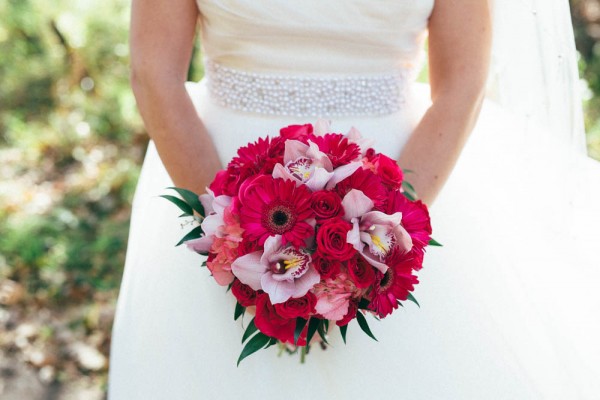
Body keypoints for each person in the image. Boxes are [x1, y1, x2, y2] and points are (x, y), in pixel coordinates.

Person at [108, 0, 600, 399]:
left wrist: (380, 236)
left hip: (404, 180)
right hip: (215, 173)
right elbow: (154, 73)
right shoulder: (224, 219)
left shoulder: (389, 220)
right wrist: (229, 233)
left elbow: (462, 85)